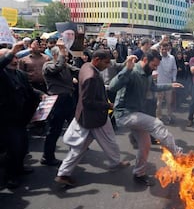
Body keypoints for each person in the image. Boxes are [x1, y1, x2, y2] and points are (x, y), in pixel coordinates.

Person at [55, 50, 130, 186]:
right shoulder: (91, 76)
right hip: (93, 118)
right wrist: (107, 105)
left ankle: (115, 162)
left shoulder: (86, 67)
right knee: (82, 147)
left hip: (93, 116)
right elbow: (88, 101)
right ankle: (63, 174)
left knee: (108, 140)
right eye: (106, 62)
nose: (107, 66)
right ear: (96, 59)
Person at [109, 50, 184, 186]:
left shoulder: (148, 74)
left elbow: (153, 87)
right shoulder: (132, 71)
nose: (155, 69)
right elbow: (113, 87)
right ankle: (178, 154)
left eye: (157, 66)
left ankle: (139, 174)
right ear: (145, 60)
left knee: (145, 145)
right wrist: (127, 68)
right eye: (154, 65)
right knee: (157, 124)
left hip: (136, 114)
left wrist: (171, 85)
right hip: (124, 114)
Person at [0, 42, 43, 188]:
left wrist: (42, 95)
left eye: (16, 57)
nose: (14, 60)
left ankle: (19, 168)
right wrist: (11, 51)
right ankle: (10, 176)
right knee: (13, 148)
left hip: (21, 117)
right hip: (6, 119)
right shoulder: (2, 74)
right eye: (10, 57)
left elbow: (29, 90)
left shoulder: (20, 74)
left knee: (23, 146)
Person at [41, 43, 80, 166]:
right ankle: (47, 156)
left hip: (68, 99)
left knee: (75, 126)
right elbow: (57, 68)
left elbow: (79, 71)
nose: (66, 58)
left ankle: (76, 151)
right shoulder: (47, 66)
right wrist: (62, 54)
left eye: (66, 56)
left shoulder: (65, 65)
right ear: (54, 55)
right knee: (54, 130)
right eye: (63, 55)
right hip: (56, 101)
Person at [156, 42, 177, 124]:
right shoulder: (157, 57)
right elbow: (153, 48)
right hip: (159, 83)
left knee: (169, 102)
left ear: (168, 49)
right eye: (162, 49)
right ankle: (158, 117)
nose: (164, 51)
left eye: (165, 49)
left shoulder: (172, 58)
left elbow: (174, 69)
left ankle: (169, 116)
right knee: (159, 103)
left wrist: (174, 79)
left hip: (169, 83)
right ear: (160, 49)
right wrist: (161, 41)